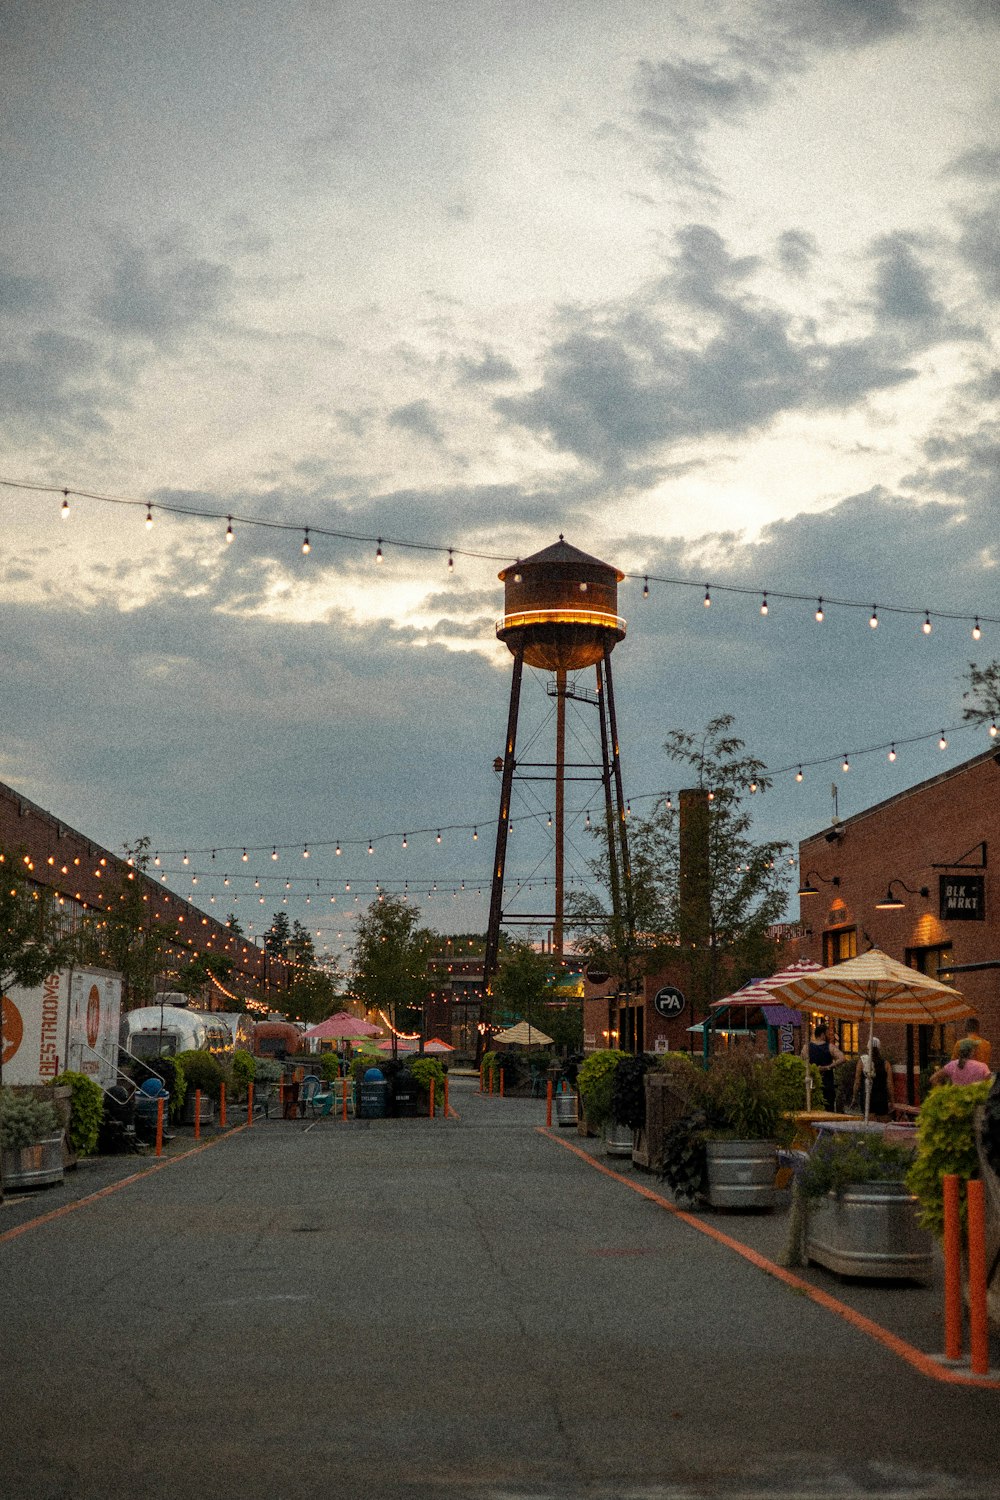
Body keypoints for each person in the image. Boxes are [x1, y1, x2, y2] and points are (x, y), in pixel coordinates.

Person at [802, 1022, 844, 1111]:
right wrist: (828, 1067)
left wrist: (811, 1068)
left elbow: (802, 1061)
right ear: (822, 1035)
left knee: (813, 1108)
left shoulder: (807, 1047)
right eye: (828, 1034)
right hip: (827, 1083)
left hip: (812, 1083)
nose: (830, 1036)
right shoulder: (830, 1047)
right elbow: (842, 1058)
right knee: (828, 1109)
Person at [851, 1037, 892, 1118]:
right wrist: (892, 1101)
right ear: (879, 1049)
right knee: (882, 1125)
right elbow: (890, 1084)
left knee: (870, 1126)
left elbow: (857, 1082)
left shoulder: (862, 1062)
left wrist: (854, 1097)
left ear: (868, 1048)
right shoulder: (886, 1064)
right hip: (882, 1098)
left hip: (867, 1096)